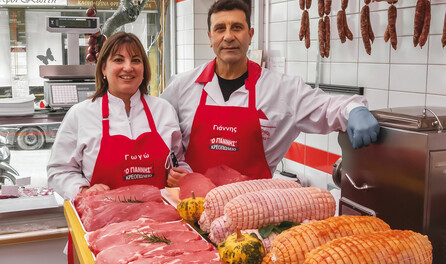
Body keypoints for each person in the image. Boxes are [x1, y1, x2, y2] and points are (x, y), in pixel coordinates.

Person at [161, 0, 379, 179]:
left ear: (250, 34)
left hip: (253, 218)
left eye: (237, 27)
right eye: (220, 29)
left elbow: (329, 107)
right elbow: (155, 126)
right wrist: (174, 168)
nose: (228, 36)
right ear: (210, 37)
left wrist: (354, 111)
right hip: (190, 213)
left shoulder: (281, 89)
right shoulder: (182, 86)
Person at [47, 31, 190, 200]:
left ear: (144, 69)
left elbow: (178, 161)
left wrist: (183, 176)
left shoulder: (163, 110)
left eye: (136, 60)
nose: (128, 67)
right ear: (103, 68)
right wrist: (83, 190)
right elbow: (59, 171)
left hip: (158, 220)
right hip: (102, 221)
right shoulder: (80, 114)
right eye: (118, 60)